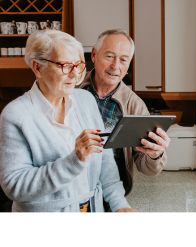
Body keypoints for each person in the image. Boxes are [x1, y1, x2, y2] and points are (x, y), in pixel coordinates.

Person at [0, 30, 137, 213]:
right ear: (37, 67)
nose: (74, 75)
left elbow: (105, 161)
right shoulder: (15, 115)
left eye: (79, 65)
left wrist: (119, 204)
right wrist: (74, 160)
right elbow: (15, 185)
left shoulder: (86, 101)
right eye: (65, 65)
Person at [79, 29, 170, 201]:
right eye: (109, 56)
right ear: (93, 55)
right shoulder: (71, 90)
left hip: (112, 197)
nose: (115, 66)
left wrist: (155, 154)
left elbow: (147, 168)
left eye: (123, 60)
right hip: (71, 192)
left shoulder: (135, 105)